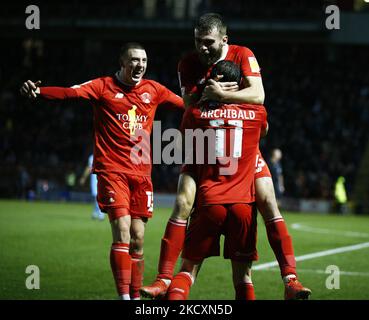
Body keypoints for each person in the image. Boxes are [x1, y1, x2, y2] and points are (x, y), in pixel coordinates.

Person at [141, 13, 311, 300]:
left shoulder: (243, 54)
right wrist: (228, 95)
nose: (202, 48)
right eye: (197, 42)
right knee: (182, 202)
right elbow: (190, 103)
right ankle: (162, 280)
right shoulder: (187, 63)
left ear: (224, 40)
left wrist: (219, 94)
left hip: (239, 145)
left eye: (208, 43)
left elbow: (259, 95)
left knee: (269, 201)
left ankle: (290, 279)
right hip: (203, 144)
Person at [20, 42, 184, 300]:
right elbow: (69, 93)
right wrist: (38, 91)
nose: (140, 65)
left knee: (138, 238)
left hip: (141, 174)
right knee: (122, 231)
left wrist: (222, 104)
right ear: (122, 62)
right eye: (134, 60)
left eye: (143, 60)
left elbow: (187, 105)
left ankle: (136, 298)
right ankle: (124, 298)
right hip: (112, 170)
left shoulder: (154, 90)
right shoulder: (103, 86)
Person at [166, 60, 267, 300]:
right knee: (243, 278)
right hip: (243, 205)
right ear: (240, 84)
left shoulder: (195, 113)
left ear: (215, 81)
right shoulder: (258, 113)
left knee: (188, 271)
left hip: (210, 201)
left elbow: (183, 143)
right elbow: (263, 131)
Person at [80, 153, 105, 221]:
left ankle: (100, 214)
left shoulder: (103, 154)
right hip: (94, 178)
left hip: (101, 177)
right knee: (96, 196)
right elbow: (89, 168)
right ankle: (96, 212)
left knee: (98, 196)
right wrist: (84, 177)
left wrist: (83, 178)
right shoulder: (92, 157)